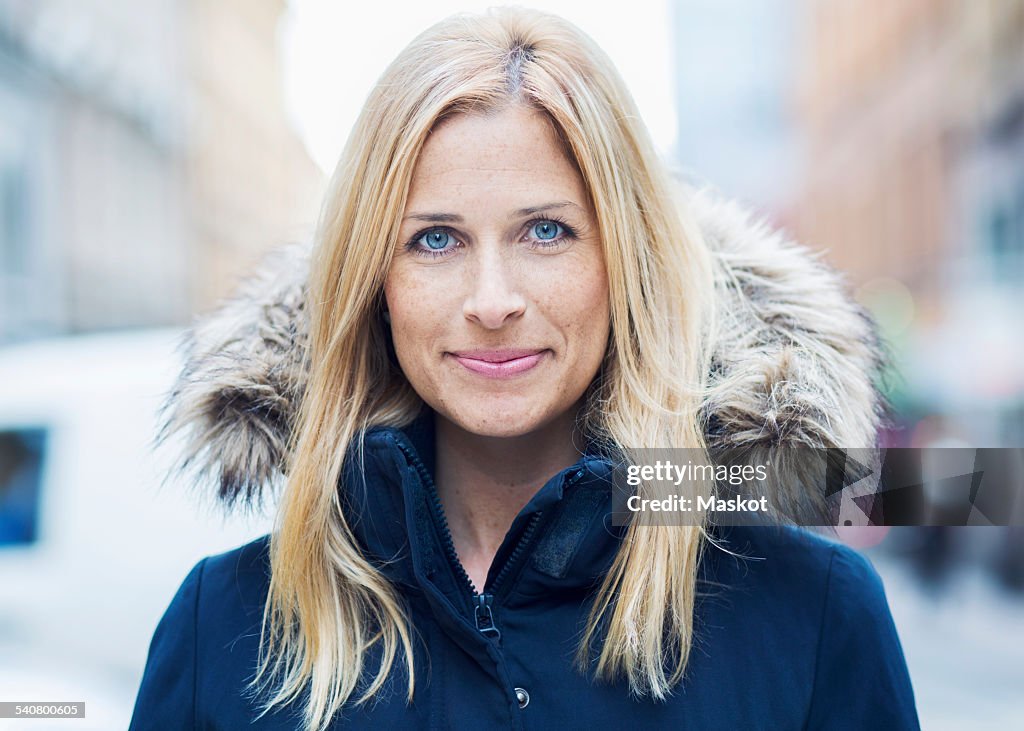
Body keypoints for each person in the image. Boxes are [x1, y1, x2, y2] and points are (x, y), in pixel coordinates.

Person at [129, 7, 919, 730]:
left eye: (546, 231)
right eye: (435, 239)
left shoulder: (812, 615)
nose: (493, 299)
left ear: (626, 262)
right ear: (375, 280)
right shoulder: (222, 627)